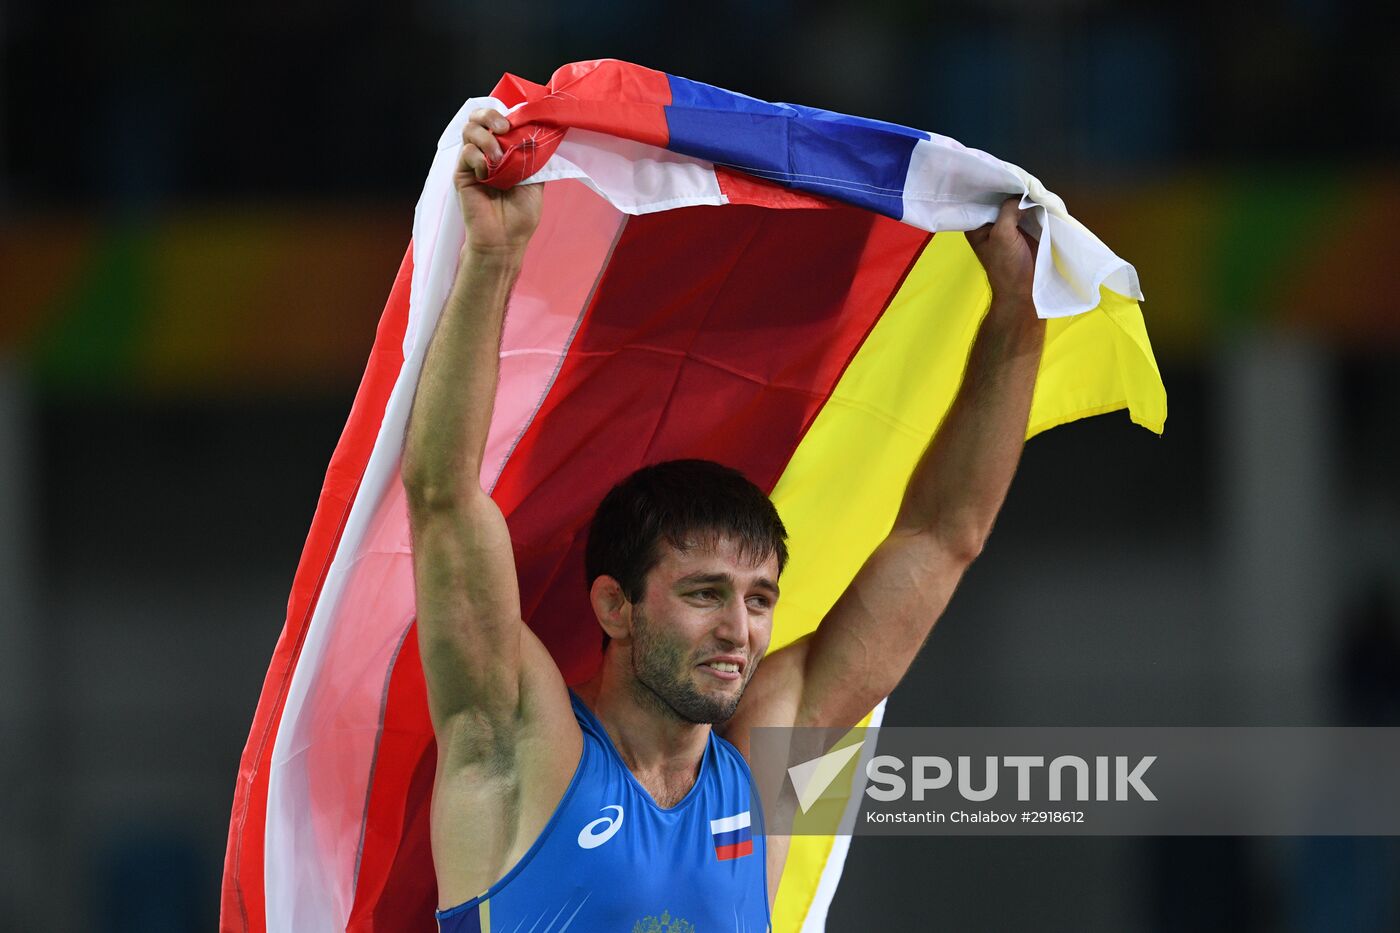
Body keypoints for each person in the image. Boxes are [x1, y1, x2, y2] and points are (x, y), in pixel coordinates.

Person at [402, 106, 1046, 931]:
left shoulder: (767, 759)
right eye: (705, 592)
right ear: (614, 605)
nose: (739, 629)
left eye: (759, 598)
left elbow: (946, 534)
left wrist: (1018, 319)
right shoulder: (519, 742)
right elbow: (444, 497)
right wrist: (493, 257)